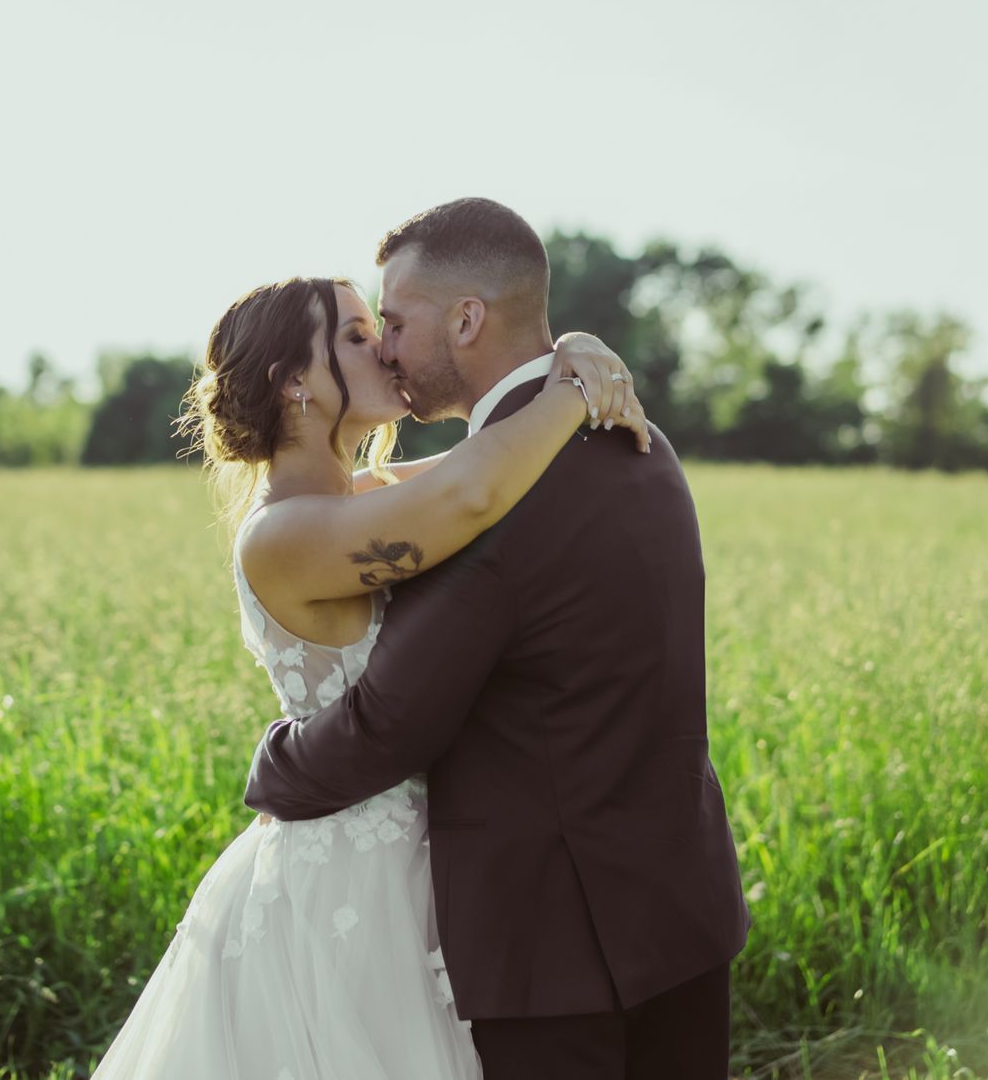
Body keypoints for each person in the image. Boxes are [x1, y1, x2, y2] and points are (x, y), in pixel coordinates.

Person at [89, 258, 648, 1079]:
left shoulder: (365, 495)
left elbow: (498, 459)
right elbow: (475, 494)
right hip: (346, 891)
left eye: (378, 327)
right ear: (293, 386)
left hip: (430, 860)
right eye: (354, 335)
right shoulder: (280, 535)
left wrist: (573, 346)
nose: (385, 348)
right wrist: (570, 385)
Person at [246, 198, 751, 1079]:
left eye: (392, 323)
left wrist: (273, 762)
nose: (389, 350)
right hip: (683, 909)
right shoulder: (639, 439)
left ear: (467, 318)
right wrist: (573, 368)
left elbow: (391, 724)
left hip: (553, 950)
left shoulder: (489, 507)